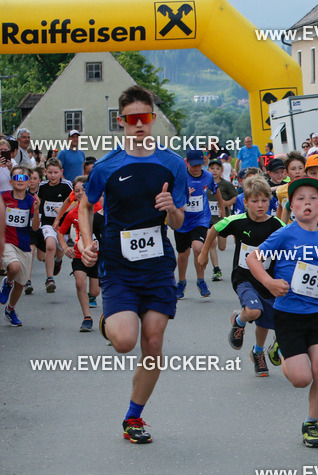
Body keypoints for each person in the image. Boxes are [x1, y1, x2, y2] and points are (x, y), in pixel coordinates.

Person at [78, 85, 190, 444]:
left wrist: (170, 207)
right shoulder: (107, 166)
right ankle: (110, 321)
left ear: (153, 120)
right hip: (118, 265)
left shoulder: (172, 164)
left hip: (157, 264)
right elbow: (84, 206)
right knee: (125, 341)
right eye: (132, 119)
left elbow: (178, 223)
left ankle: (134, 417)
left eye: (145, 118)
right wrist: (84, 242)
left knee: (153, 343)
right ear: (121, 121)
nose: (139, 125)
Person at [249, 178, 318, 446]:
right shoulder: (285, 233)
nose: (307, 203)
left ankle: (312, 423)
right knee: (301, 379)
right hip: (287, 314)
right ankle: (279, 347)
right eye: (300, 199)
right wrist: (268, 282)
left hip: (315, 315)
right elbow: (252, 258)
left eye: (313, 198)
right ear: (291, 206)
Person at [198, 174, 286, 376]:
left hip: (267, 280)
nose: (260, 205)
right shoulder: (237, 221)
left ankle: (258, 352)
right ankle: (239, 320)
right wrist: (203, 254)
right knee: (254, 311)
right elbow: (213, 229)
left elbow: (291, 242)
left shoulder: (276, 225)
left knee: (264, 320)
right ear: (245, 202)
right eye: (255, 201)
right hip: (244, 279)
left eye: (264, 200)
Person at [57, 175, 102, 331]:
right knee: (80, 282)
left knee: (95, 291)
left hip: (97, 254)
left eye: (84, 189)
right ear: (73, 194)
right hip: (78, 253)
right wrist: (65, 247)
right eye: (77, 191)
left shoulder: (98, 208)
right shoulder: (72, 214)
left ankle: (92, 295)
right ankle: (87, 318)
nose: (81, 193)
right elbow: (60, 233)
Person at [175, 149, 219, 299]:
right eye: (194, 165)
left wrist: (222, 207)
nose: (196, 168)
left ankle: (201, 281)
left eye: (200, 165)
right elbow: (174, 198)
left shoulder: (208, 176)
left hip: (201, 219)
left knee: (198, 248)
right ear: (187, 163)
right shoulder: (181, 177)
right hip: (182, 220)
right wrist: (184, 194)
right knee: (182, 254)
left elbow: (215, 189)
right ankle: (181, 282)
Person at [0, 166, 40, 326]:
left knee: (21, 284)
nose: (20, 181)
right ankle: (7, 282)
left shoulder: (31, 201)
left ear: (30, 182)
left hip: (24, 243)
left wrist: (36, 211)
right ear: (11, 181)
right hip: (6, 240)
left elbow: (35, 228)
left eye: (24, 178)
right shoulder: (3, 197)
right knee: (14, 268)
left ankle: (10, 310)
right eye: (17, 178)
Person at [36, 158, 73, 292]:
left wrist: (63, 210)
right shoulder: (42, 186)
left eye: (56, 172)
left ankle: (58, 261)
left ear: (61, 172)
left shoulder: (67, 185)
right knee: (50, 246)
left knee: (59, 251)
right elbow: (38, 201)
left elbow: (75, 201)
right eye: (50, 172)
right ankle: (49, 279)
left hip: (63, 225)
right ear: (45, 172)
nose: (53, 175)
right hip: (47, 223)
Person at [206, 157, 237, 282]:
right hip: (208, 219)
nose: (214, 171)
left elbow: (235, 197)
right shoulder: (205, 183)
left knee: (222, 247)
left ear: (222, 170)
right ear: (208, 169)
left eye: (217, 169)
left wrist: (225, 203)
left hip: (222, 219)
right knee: (211, 243)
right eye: (212, 168)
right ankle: (216, 269)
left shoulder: (226, 184)